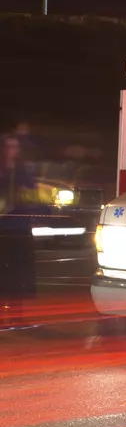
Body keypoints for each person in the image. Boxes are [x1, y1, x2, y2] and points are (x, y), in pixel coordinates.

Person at [0, 133, 42, 315]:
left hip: (19, 228)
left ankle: (18, 314)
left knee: (19, 273)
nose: (12, 151)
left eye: (15, 147)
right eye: (8, 146)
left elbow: (33, 195)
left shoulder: (22, 171)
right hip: (3, 229)